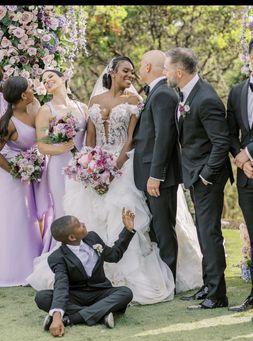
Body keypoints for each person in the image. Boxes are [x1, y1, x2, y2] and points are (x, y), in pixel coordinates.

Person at [28, 55, 203, 304]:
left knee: (123, 216)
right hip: (95, 166)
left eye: (132, 71)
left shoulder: (136, 100)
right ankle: (88, 274)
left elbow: (131, 138)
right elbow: (90, 136)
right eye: (124, 70)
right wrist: (88, 165)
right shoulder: (95, 101)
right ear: (112, 71)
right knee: (91, 218)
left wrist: (113, 168)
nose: (129, 75)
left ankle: (128, 273)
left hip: (123, 166)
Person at [164, 47, 233, 309]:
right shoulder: (187, 93)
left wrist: (205, 175)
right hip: (194, 174)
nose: (165, 73)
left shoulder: (205, 99)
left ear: (179, 72)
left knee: (209, 233)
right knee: (204, 233)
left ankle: (218, 295)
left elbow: (221, 142)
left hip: (208, 178)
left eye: (167, 68)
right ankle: (208, 286)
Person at [35, 209, 135, 337]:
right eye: (78, 224)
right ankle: (102, 314)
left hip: (100, 292)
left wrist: (127, 230)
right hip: (75, 296)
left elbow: (114, 256)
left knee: (125, 293)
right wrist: (56, 316)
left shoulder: (92, 237)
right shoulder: (57, 257)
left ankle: (71, 319)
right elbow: (61, 284)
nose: (83, 223)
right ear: (71, 237)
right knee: (42, 297)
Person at [133, 50, 182, 284]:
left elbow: (164, 138)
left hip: (159, 176)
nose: (140, 67)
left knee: (164, 229)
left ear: (150, 67)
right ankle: (161, 276)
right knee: (157, 227)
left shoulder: (163, 94)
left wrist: (156, 175)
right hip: (149, 173)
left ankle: (168, 280)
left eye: (142, 63)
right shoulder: (157, 93)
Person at [35, 69, 88, 250]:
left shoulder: (82, 107)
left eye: (50, 76)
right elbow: (42, 146)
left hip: (82, 166)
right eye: (44, 80)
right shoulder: (45, 110)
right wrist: (61, 148)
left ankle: (85, 250)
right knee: (63, 208)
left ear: (63, 78)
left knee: (83, 206)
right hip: (59, 167)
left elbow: (89, 139)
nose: (47, 81)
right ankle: (61, 253)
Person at [0, 77, 44, 286]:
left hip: (30, 175)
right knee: (17, 220)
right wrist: (15, 171)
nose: (33, 88)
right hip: (12, 178)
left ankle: (32, 265)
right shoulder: (7, 122)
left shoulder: (34, 110)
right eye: (30, 87)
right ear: (23, 95)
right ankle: (14, 270)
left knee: (31, 219)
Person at [227, 39, 253, 312]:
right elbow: (229, 132)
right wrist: (240, 158)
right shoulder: (236, 92)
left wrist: (249, 152)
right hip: (247, 176)